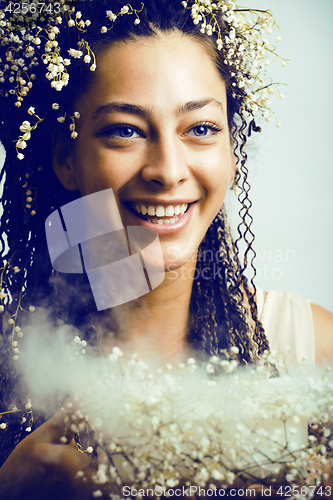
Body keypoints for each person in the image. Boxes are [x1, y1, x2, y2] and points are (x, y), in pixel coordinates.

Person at [0, 0, 332, 498]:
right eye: (125, 131)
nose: (168, 171)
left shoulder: (315, 351)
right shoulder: (11, 358)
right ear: (65, 158)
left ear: (231, 151)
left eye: (200, 129)